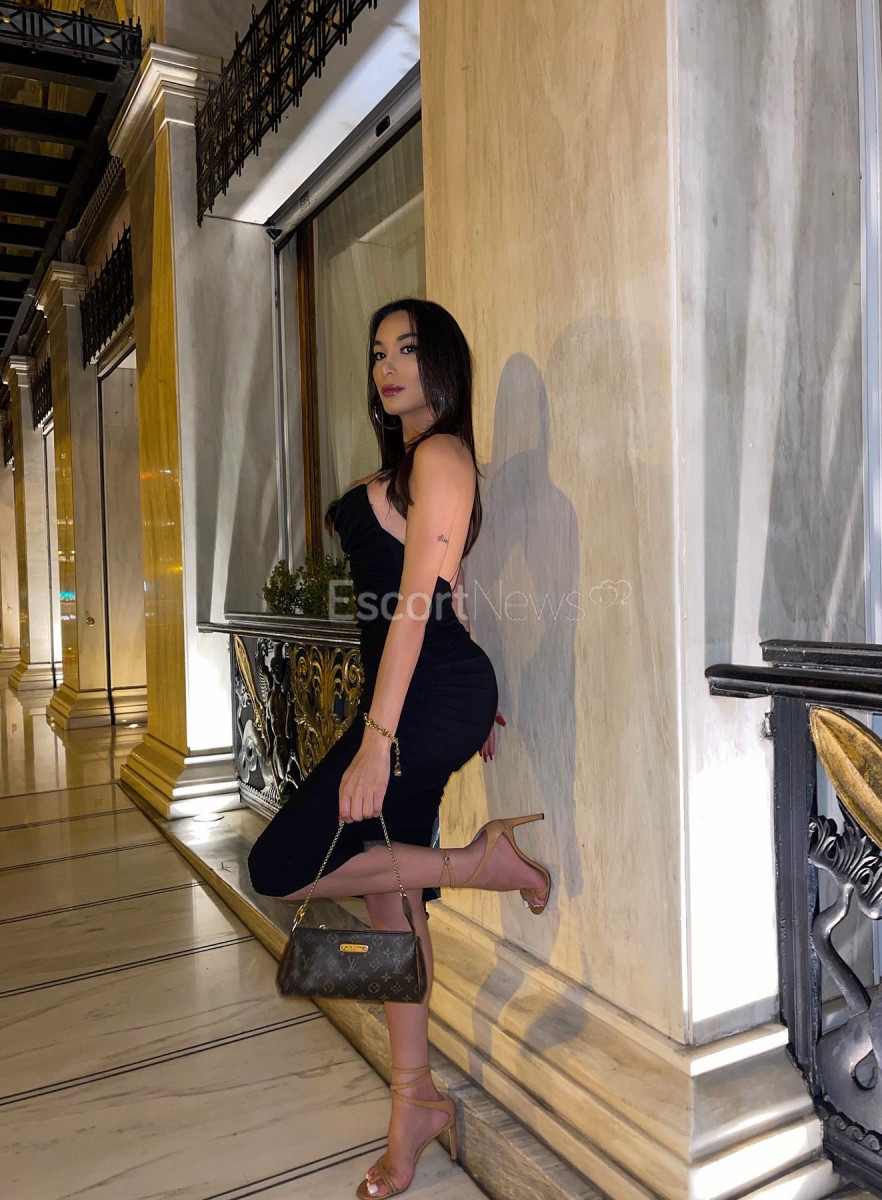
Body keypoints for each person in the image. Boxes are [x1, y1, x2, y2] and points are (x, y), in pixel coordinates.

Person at [248, 298, 551, 1199]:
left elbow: (420, 600)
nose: (387, 366)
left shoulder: (443, 455)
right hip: (416, 692)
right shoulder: (418, 465)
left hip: (421, 698)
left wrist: (378, 739)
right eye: (378, 352)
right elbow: (445, 593)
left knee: (280, 866)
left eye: (407, 349)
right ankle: (413, 1101)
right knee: (389, 901)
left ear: (442, 364)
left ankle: (479, 862)